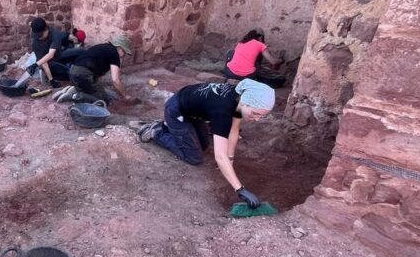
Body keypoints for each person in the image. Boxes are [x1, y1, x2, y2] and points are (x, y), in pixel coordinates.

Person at [137, 79, 275, 208]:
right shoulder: (223, 111)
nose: (257, 119)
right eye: (255, 113)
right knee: (194, 157)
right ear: (246, 103)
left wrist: (230, 159)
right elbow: (219, 156)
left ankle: (174, 130)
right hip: (176, 111)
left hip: (194, 112)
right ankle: (157, 132)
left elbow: (234, 130)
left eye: (261, 116)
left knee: (203, 145)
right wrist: (240, 190)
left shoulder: (240, 99)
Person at [63, 35, 132, 103]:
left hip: (73, 71)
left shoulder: (104, 47)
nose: (124, 55)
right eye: (125, 52)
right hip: (82, 75)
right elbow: (115, 80)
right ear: (120, 48)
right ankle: (77, 96)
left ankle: (75, 90)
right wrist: (125, 95)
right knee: (102, 101)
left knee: (105, 95)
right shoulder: (114, 54)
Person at [30, 17, 73, 85]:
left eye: (40, 35)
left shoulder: (54, 33)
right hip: (49, 63)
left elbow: (51, 54)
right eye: (37, 35)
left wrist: (35, 64)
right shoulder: (35, 42)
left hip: (58, 55)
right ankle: (53, 76)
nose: (39, 37)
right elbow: (43, 61)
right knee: (70, 74)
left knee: (80, 52)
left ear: (46, 29)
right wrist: (51, 80)